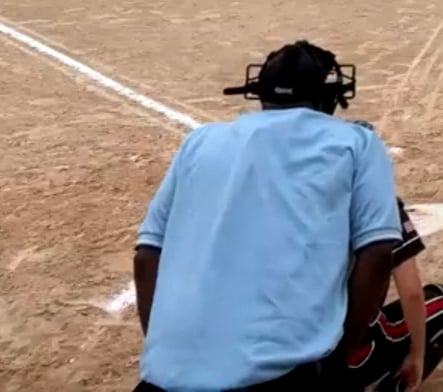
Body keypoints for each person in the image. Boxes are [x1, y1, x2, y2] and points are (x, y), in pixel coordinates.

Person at [132, 40, 404, 392]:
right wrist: (337, 359)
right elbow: (378, 253)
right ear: (327, 97)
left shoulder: (198, 141)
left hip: (162, 378)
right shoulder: (356, 142)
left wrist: (167, 353)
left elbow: (146, 256)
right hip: (281, 375)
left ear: (260, 93)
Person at [344, 122, 443, 392]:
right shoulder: (379, 204)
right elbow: (410, 292)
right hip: (346, 348)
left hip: (285, 347)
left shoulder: (298, 199)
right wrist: (417, 354)